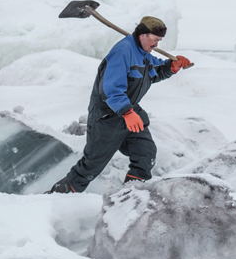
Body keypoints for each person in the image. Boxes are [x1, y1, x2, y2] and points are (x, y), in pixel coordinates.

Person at [47, 17, 190, 194]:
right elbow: (110, 88)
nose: (156, 44)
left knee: (145, 155)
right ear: (143, 35)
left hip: (130, 113)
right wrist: (127, 112)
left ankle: (130, 197)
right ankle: (54, 198)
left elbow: (152, 72)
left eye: (159, 41)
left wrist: (171, 67)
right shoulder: (122, 52)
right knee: (91, 166)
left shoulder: (143, 52)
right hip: (107, 116)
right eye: (155, 40)